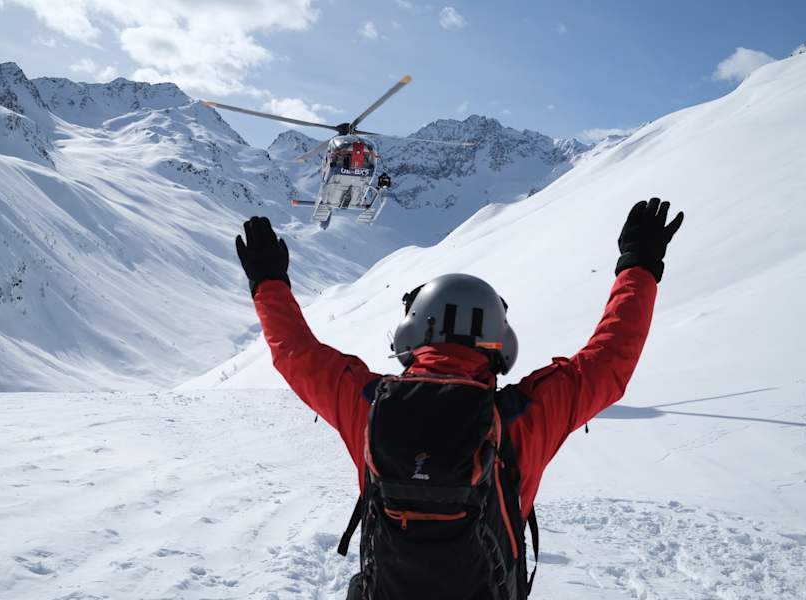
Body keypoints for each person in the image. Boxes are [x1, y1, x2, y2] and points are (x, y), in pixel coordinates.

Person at [234, 198, 683, 600]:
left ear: (413, 330)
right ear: (499, 342)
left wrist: (268, 282)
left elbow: (294, 352)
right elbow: (609, 360)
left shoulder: (370, 403)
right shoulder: (521, 415)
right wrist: (638, 267)